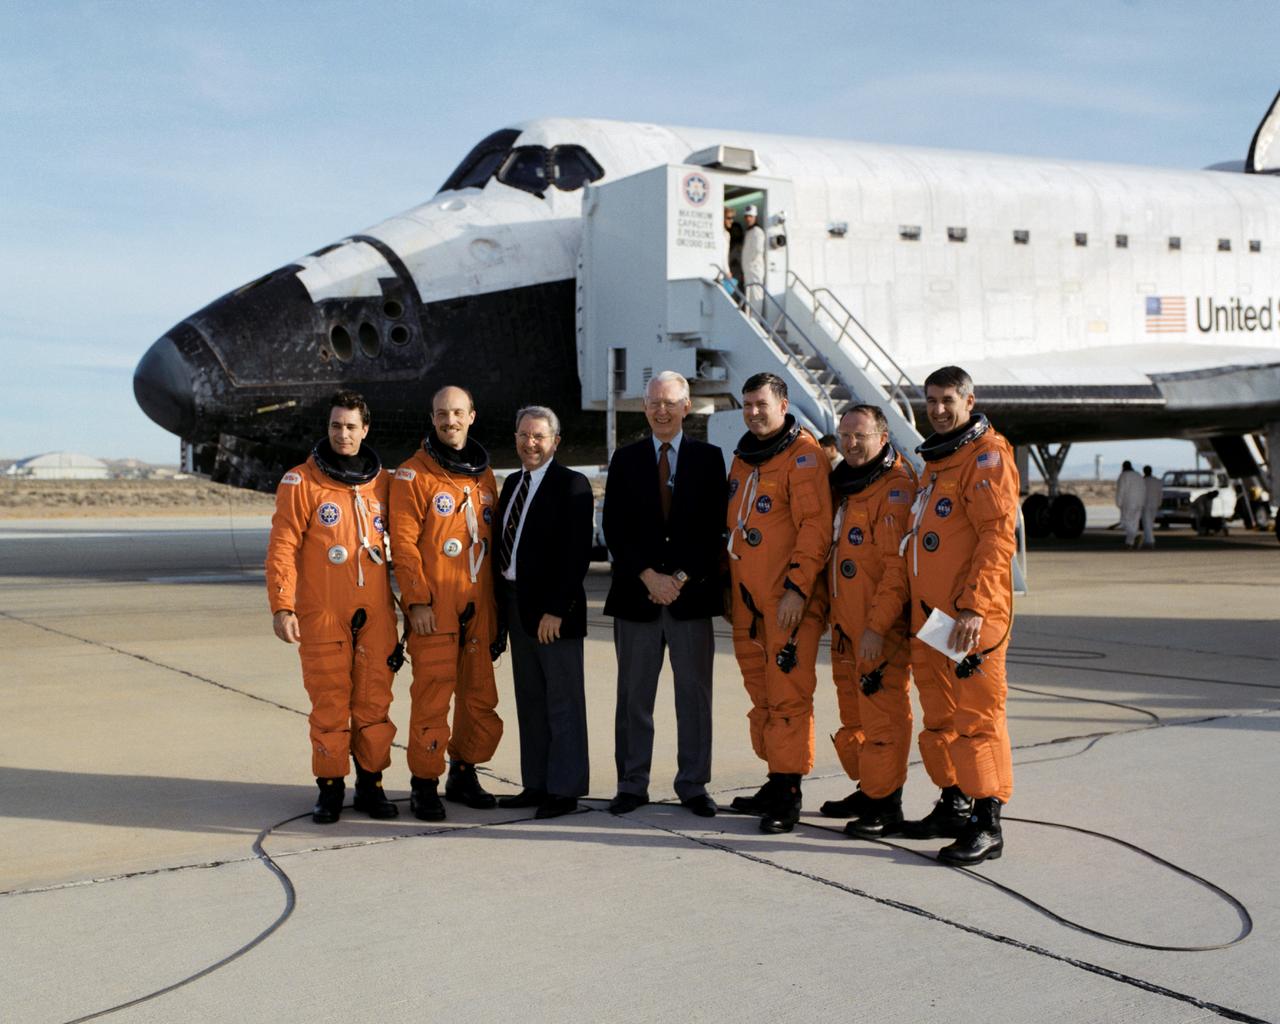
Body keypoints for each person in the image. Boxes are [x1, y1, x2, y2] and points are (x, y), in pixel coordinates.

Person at [898, 366, 1020, 864]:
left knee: (978, 718)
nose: (939, 409)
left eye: (948, 399)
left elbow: (996, 537)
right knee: (942, 715)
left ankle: (987, 822)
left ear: (970, 401)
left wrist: (975, 605)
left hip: (970, 618)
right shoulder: (939, 461)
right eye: (931, 400)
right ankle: (955, 800)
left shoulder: (987, 457)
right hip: (933, 619)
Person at [265, 391, 399, 824]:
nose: (343, 434)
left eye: (350, 426)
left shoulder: (385, 484)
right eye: (336, 426)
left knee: (374, 702)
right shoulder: (301, 482)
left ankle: (372, 785)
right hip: (322, 612)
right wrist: (282, 606)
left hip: (376, 611)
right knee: (329, 703)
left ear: (365, 429)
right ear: (329, 429)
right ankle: (330, 787)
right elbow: (283, 548)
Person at [602, 371, 728, 818]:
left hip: (689, 598)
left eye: (669, 402)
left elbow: (714, 528)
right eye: (653, 402)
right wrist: (648, 576)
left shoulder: (711, 459)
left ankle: (693, 784)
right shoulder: (626, 459)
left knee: (694, 698)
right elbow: (614, 526)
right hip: (637, 598)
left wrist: (676, 577)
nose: (660, 410)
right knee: (634, 698)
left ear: (686, 406)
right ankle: (632, 783)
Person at [725, 373, 833, 833]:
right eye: (747, 404)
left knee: (788, 697)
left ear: (783, 405)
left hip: (787, 601)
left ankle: (788, 794)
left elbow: (814, 529)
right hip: (749, 602)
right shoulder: (745, 459)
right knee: (763, 695)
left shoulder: (802, 456)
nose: (753, 412)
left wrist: (797, 589)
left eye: (761, 404)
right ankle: (775, 778)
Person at [389, 385, 503, 821]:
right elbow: (403, 545)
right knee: (433, 696)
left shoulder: (483, 476)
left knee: (478, 697)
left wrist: (497, 619)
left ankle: (464, 771)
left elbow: (491, 549)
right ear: (432, 418)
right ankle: (424, 783)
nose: (449, 421)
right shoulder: (412, 474)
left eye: (457, 413)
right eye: (441, 414)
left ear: (471, 416)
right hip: (434, 607)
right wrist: (416, 602)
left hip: (479, 606)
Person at [493, 406, 595, 819]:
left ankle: (564, 789)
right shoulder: (512, 483)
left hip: (553, 613)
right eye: (523, 435)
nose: (529, 443)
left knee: (563, 702)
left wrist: (557, 611)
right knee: (530, 699)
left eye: (538, 437)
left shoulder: (573, 485)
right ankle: (535, 782)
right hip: (517, 606)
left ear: (555, 440)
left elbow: (576, 557)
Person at [820, 405, 916, 838]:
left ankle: (886, 803)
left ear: (882, 436)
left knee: (883, 718)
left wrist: (876, 628)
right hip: (846, 626)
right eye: (845, 435)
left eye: (860, 436)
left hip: (877, 631)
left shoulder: (893, 489)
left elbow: (896, 571)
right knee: (855, 717)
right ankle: (869, 789)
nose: (851, 444)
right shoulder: (847, 486)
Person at [741, 204, 766, 317]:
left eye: (750, 216)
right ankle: (749, 318)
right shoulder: (749, 232)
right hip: (748, 269)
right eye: (746, 216)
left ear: (755, 217)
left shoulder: (757, 231)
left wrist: (749, 264)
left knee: (756, 295)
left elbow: (758, 250)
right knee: (748, 295)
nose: (748, 219)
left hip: (755, 268)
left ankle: (756, 320)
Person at [1115, 460, 1144, 549]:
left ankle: (1135, 536)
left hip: (1128, 502)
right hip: (1139, 502)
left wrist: (1118, 502)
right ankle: (1129, 543)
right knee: (1134, 522)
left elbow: (1121, 490)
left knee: (1125, 521)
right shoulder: (1138, 475)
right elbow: (1144, 488)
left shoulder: (1124, 476)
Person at [1140, 465, 1163, 549]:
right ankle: (1147, 540)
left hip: (1146, 504)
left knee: (1147, 523)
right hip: (1155, 504)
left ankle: (1150, 541)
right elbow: (1160, 494)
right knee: (1149, 523)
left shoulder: (1142, 481)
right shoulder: (1157, 481)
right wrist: (1159, 503)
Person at [724, 205, 744, 294]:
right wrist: (727, 271)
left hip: (730, 273)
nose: (731, 221)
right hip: (724, 273)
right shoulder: (723, 234)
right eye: (729, 218)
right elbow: (722, 255)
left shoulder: (726, 234)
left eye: (732, 218)